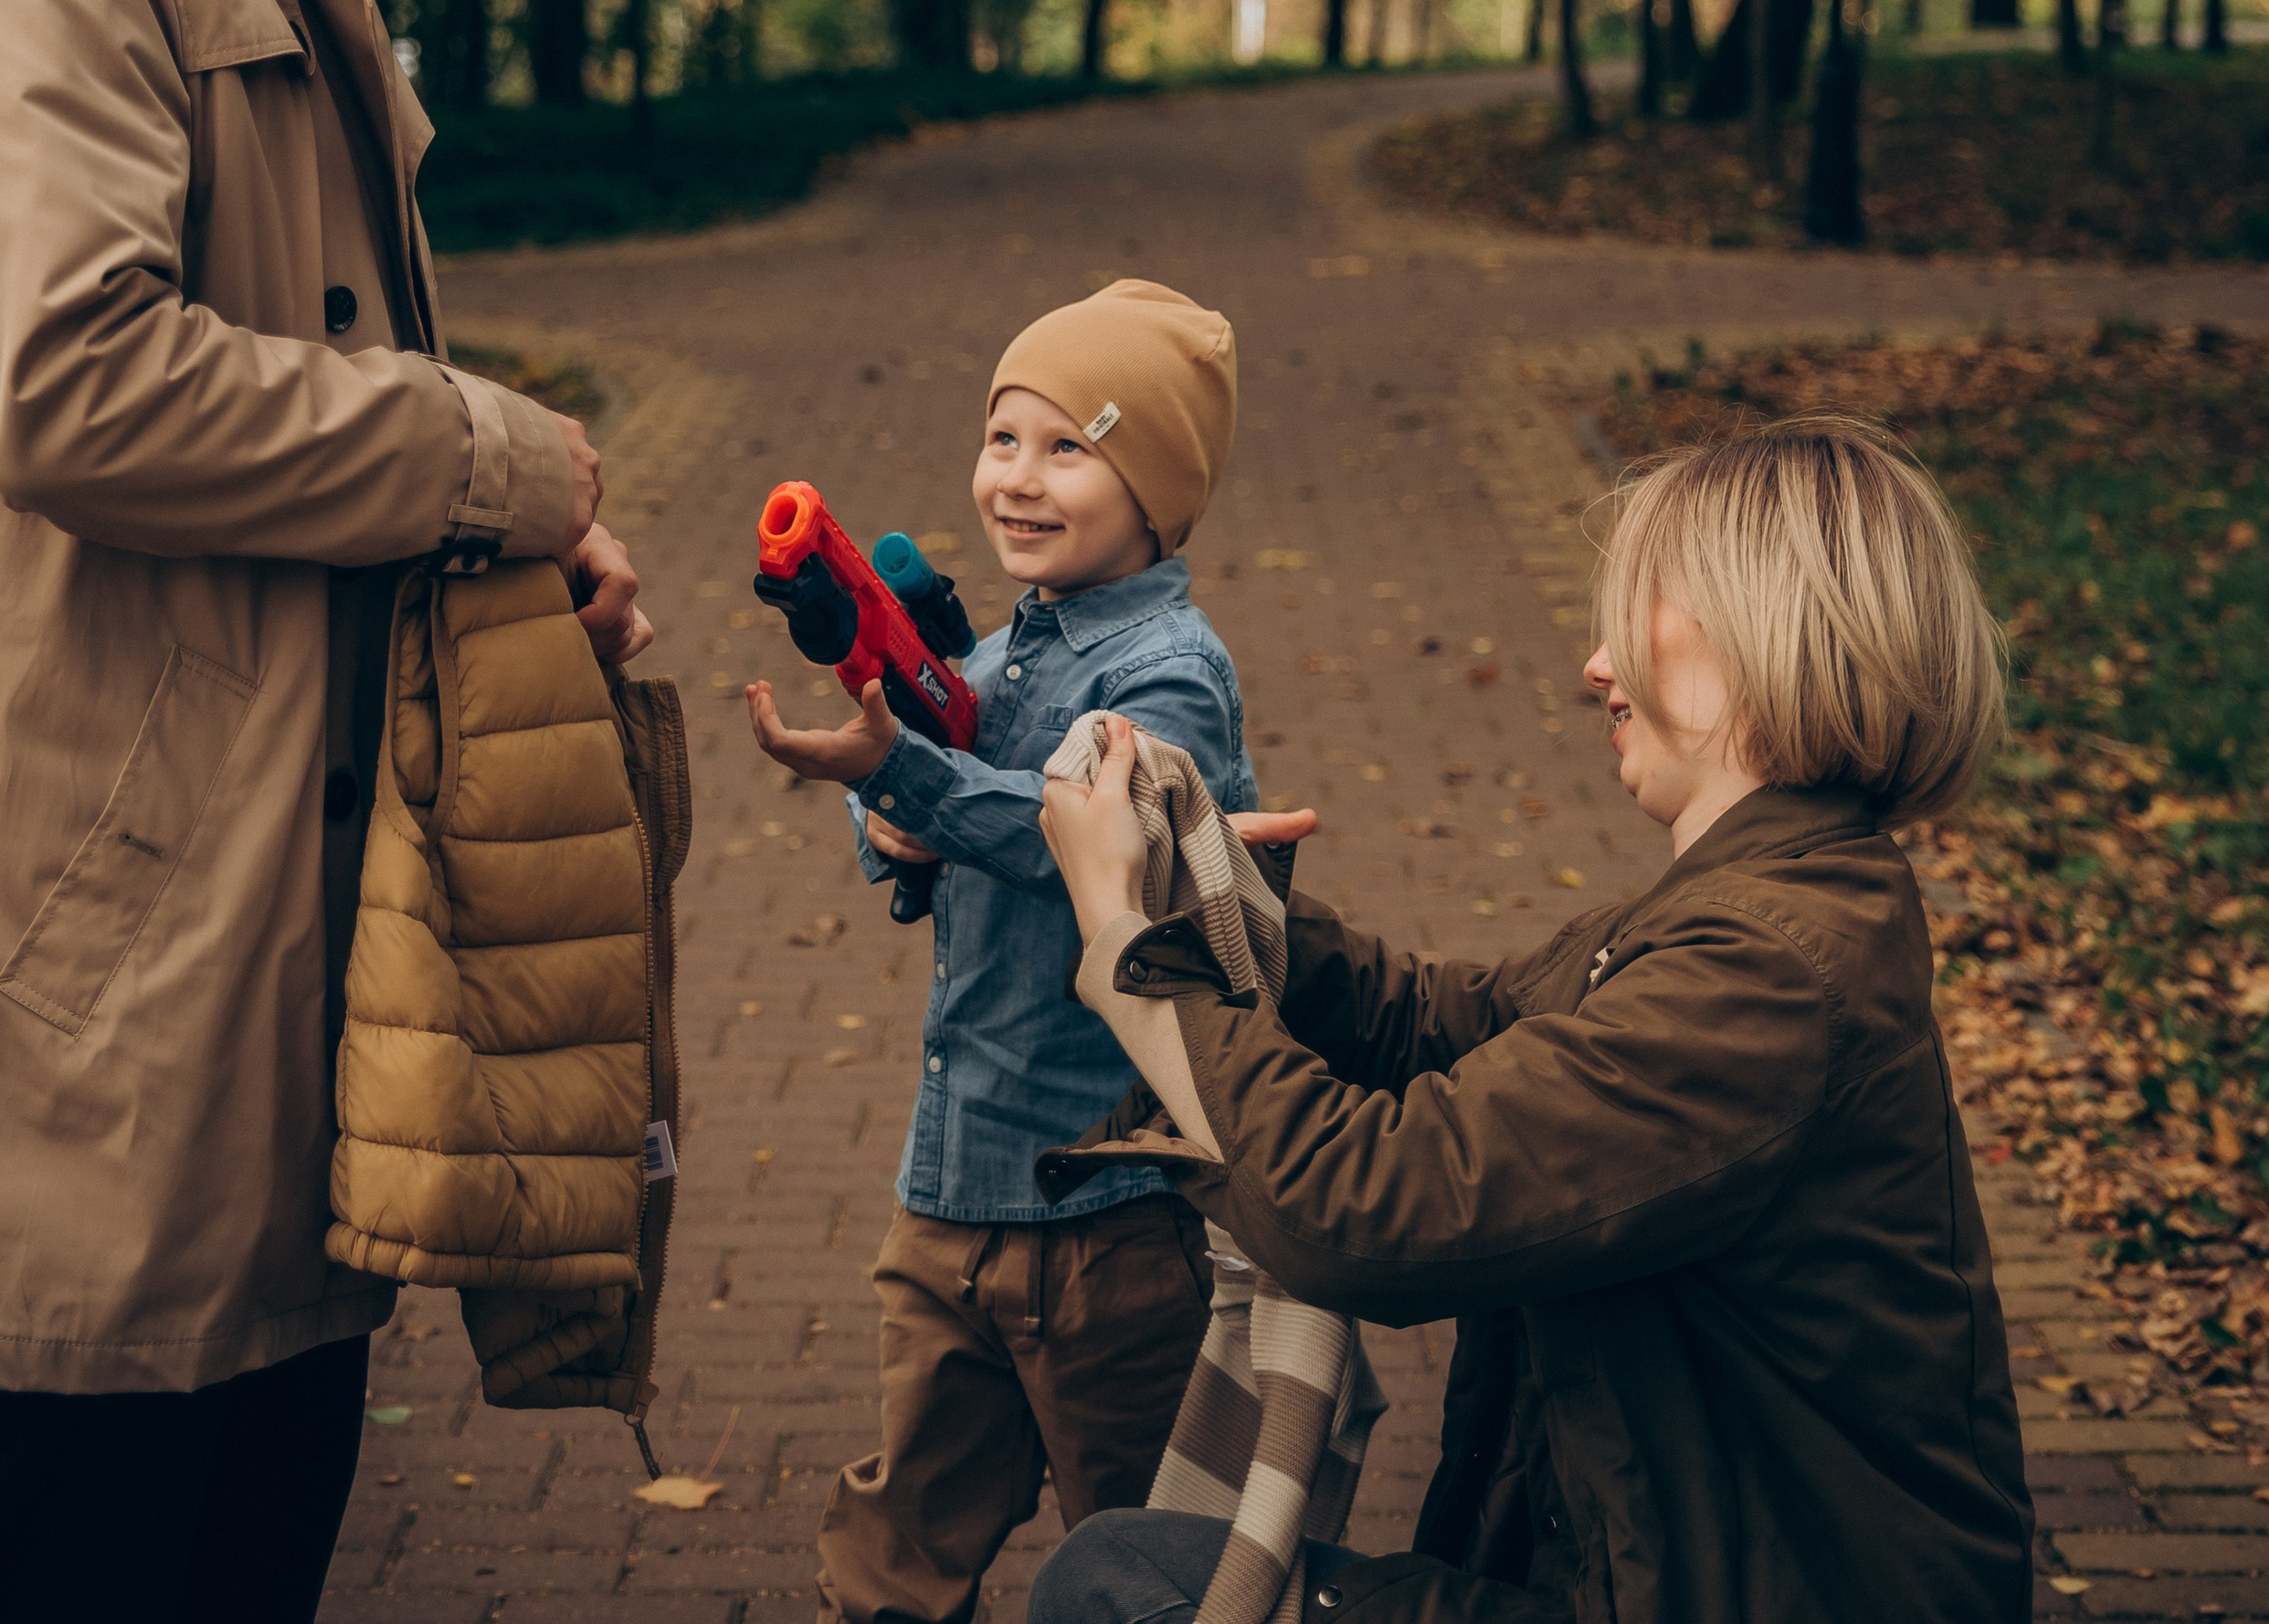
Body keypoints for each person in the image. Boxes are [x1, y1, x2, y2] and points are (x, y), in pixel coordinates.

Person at [0, 0, 652, 1624]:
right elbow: (69, 379)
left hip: (256, 1007)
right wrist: (483, 458)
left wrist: (500, 533)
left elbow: (289, 356)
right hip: (87, 1059)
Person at [1033, 416, 2034, 1624]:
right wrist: (1240, 911)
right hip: (1667, 1571)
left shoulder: (1764, 974)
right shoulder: (1759, 910)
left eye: (1640, 615)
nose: (1597, 664)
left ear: (1764, 629)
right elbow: (1443, 1026)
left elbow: (1364, 1210)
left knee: (1114, 1581)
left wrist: (1133, 935)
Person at [746, 279, 1253, 1624]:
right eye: (1002, 438)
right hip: (951, 1187)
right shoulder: (990, 654)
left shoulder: (1169, 671)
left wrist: (914, 776)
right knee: (893, 1547)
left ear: (1156, 485)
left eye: (1069, 446)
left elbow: (1078, 838)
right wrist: (890, 814)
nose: (1018, 480)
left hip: (1107, 1216)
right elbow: (922, 808)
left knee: (1157, 1558)